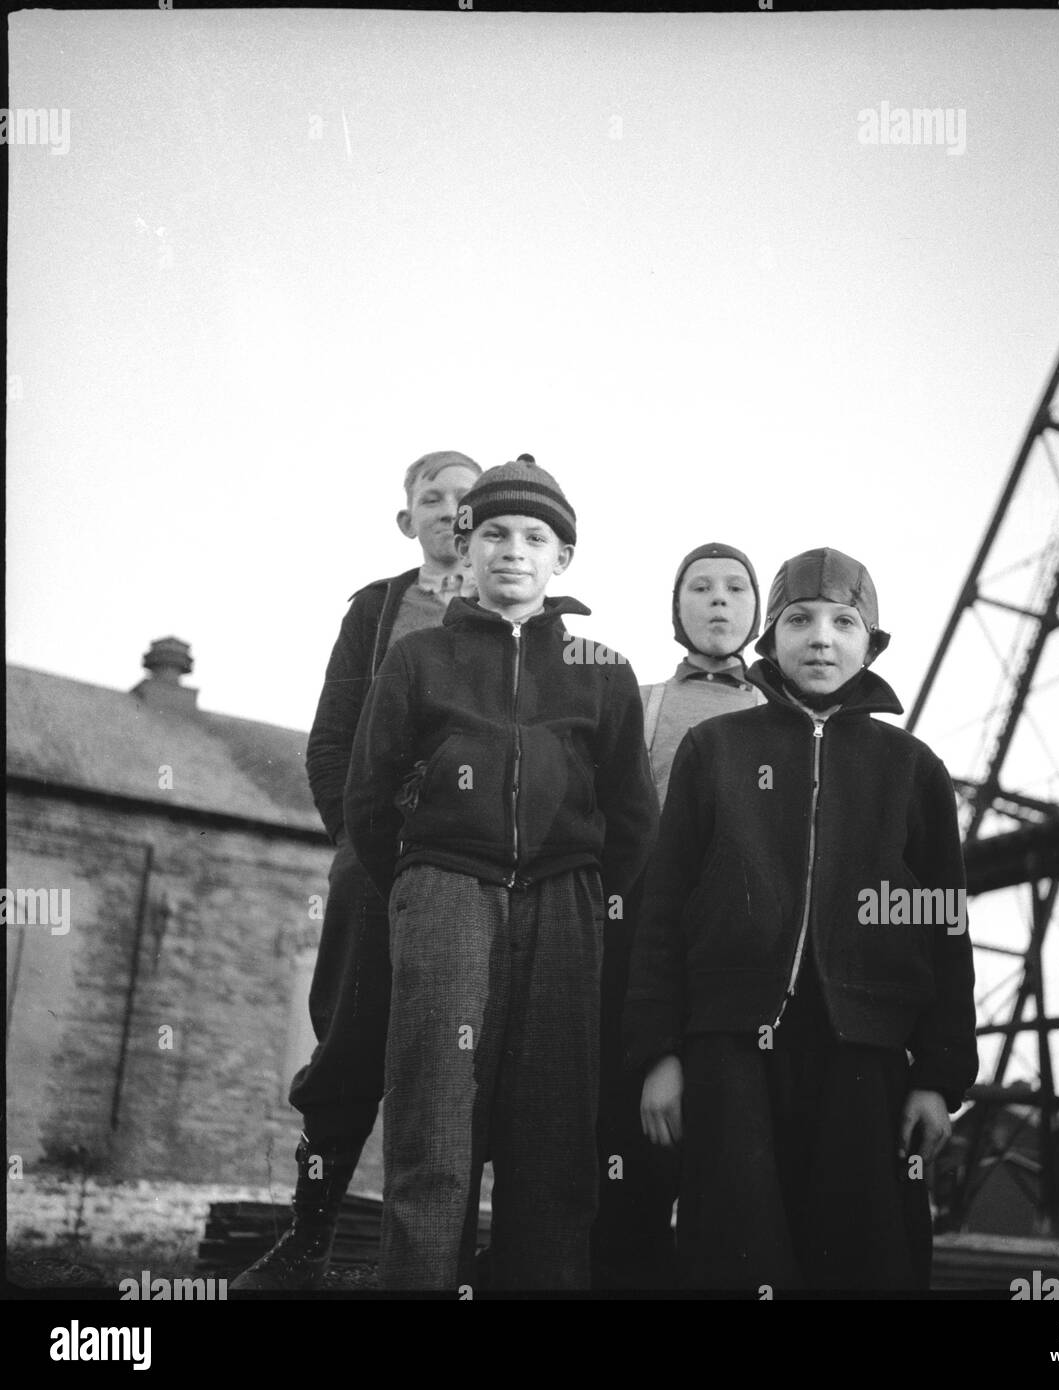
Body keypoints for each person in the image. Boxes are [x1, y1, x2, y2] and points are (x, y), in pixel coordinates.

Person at [625, 547, 978, 1292]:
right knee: (734, 1245)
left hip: (865, 1051)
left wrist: (939, 1076)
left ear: (870, 643)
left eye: (843, 622)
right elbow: (662, 909)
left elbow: (945, 928)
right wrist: (659, 1052)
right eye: (799, 620)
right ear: (770, 638)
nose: (821, 637)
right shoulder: (715, 750)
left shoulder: (911, 768)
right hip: (730, 1047)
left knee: (861, 1253)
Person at [344, 457, 659, 1290]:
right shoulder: (418, 657)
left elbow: (630, 819)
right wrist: (427, 879)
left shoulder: (602, 668)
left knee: (554, 1136)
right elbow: (369, 799)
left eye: (533, 536)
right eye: (492, 533)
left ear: (563, 558)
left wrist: (589, 899)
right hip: (447, 894)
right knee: (435, 1125)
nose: (511, 550)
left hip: (566, 904)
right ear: (466, 547)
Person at [232, 449, 483, 1291]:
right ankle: (305, 1242)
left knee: (472, 1053)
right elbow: (330, 740)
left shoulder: (518, 611)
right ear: (406, 518)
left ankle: (456, 1255)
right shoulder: (376, 611)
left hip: (482, 871)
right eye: (432, 496)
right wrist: (360, 845)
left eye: (466, 497)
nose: (451, 509)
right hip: (379, 864)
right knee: (348, 1048)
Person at [593, 541, 764, 1289]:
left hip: (736, 946)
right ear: (676, 608)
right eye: (700, 587)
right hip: (640, 936)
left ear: (759, 611)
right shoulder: (643, 701)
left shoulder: (780, 712)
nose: (718, 601)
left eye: (734, 588)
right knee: (631, 1133)